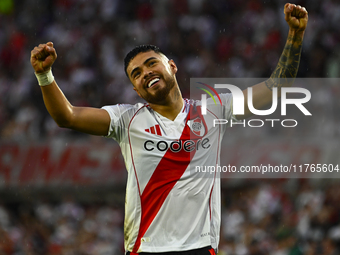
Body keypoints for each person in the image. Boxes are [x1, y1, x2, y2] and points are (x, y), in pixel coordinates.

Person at [30, 3, 308, 255]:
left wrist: (295, 36)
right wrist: (45, 75)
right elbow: (67, 116)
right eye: (136, 74)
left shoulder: (214, 109)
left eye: (151, 63)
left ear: (172, 67)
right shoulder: (126, 120)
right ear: (135, 90)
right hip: (146, 248)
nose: (145, 73)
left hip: (199, 247)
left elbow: (276, 89)